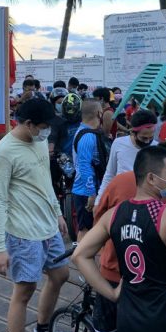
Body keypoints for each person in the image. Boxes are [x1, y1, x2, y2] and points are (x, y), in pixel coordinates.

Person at [72, 146, 166, 332]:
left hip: (129, 316)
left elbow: (79, 255)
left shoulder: (114, 213)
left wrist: (111, 293)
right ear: (151, 178)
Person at [0, 99, 69, 332]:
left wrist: (57, 212)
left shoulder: (39, 140)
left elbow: (44, 179)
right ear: (28, 123)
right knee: (24, 292)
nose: (47, 131)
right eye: (44, 126)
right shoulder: (4, 153)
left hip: (47, 225)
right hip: (23, 233)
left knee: (61, 275)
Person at [95, 109, 157, 206]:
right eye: (143, 138)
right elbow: (109, 175)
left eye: (151, 138)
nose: (147, 142)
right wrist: (98, 202)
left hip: (147, 204)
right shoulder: (119, 143)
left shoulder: (157, 148)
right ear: (133, 132)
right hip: (121, 202)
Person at [72, 100, 105, 241]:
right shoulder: (87, 136)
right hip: (85, 191)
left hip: (89, 190)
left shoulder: (87, 132)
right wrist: (91, 193)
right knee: (85, 231)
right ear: (99, 113)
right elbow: (84, 166)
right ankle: (82, 260)